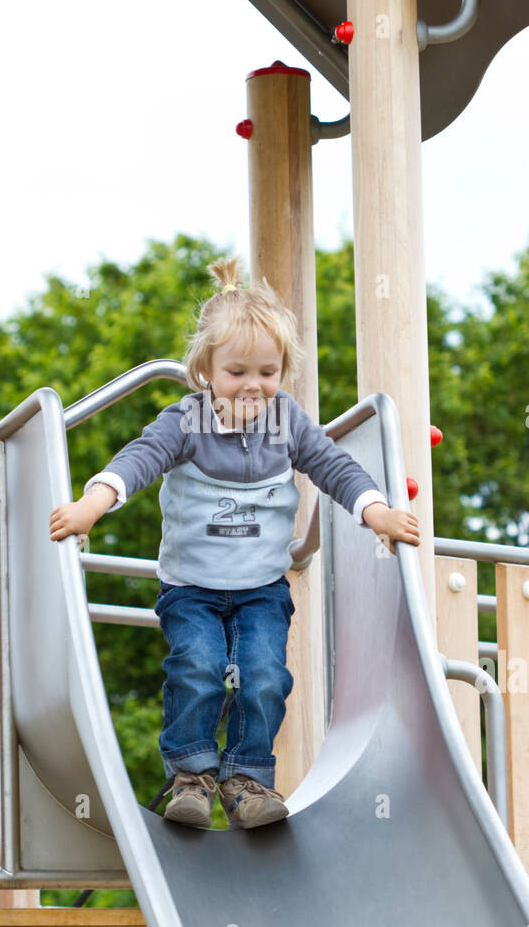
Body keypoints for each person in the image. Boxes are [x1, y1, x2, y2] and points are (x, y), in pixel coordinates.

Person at [49, 255, 420, 830]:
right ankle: (190, 778)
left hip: (261, 589)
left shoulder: (289, 423)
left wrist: (377, 512)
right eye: (237, 372)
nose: (254, 386)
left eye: (267, 373)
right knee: (197, 668)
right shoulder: (186, 421)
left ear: (282, 373)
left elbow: (334, 466)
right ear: (206, 371)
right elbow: (140, 459)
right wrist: (92, 505)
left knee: (265, 675)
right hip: (192, 588)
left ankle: (246, 780)